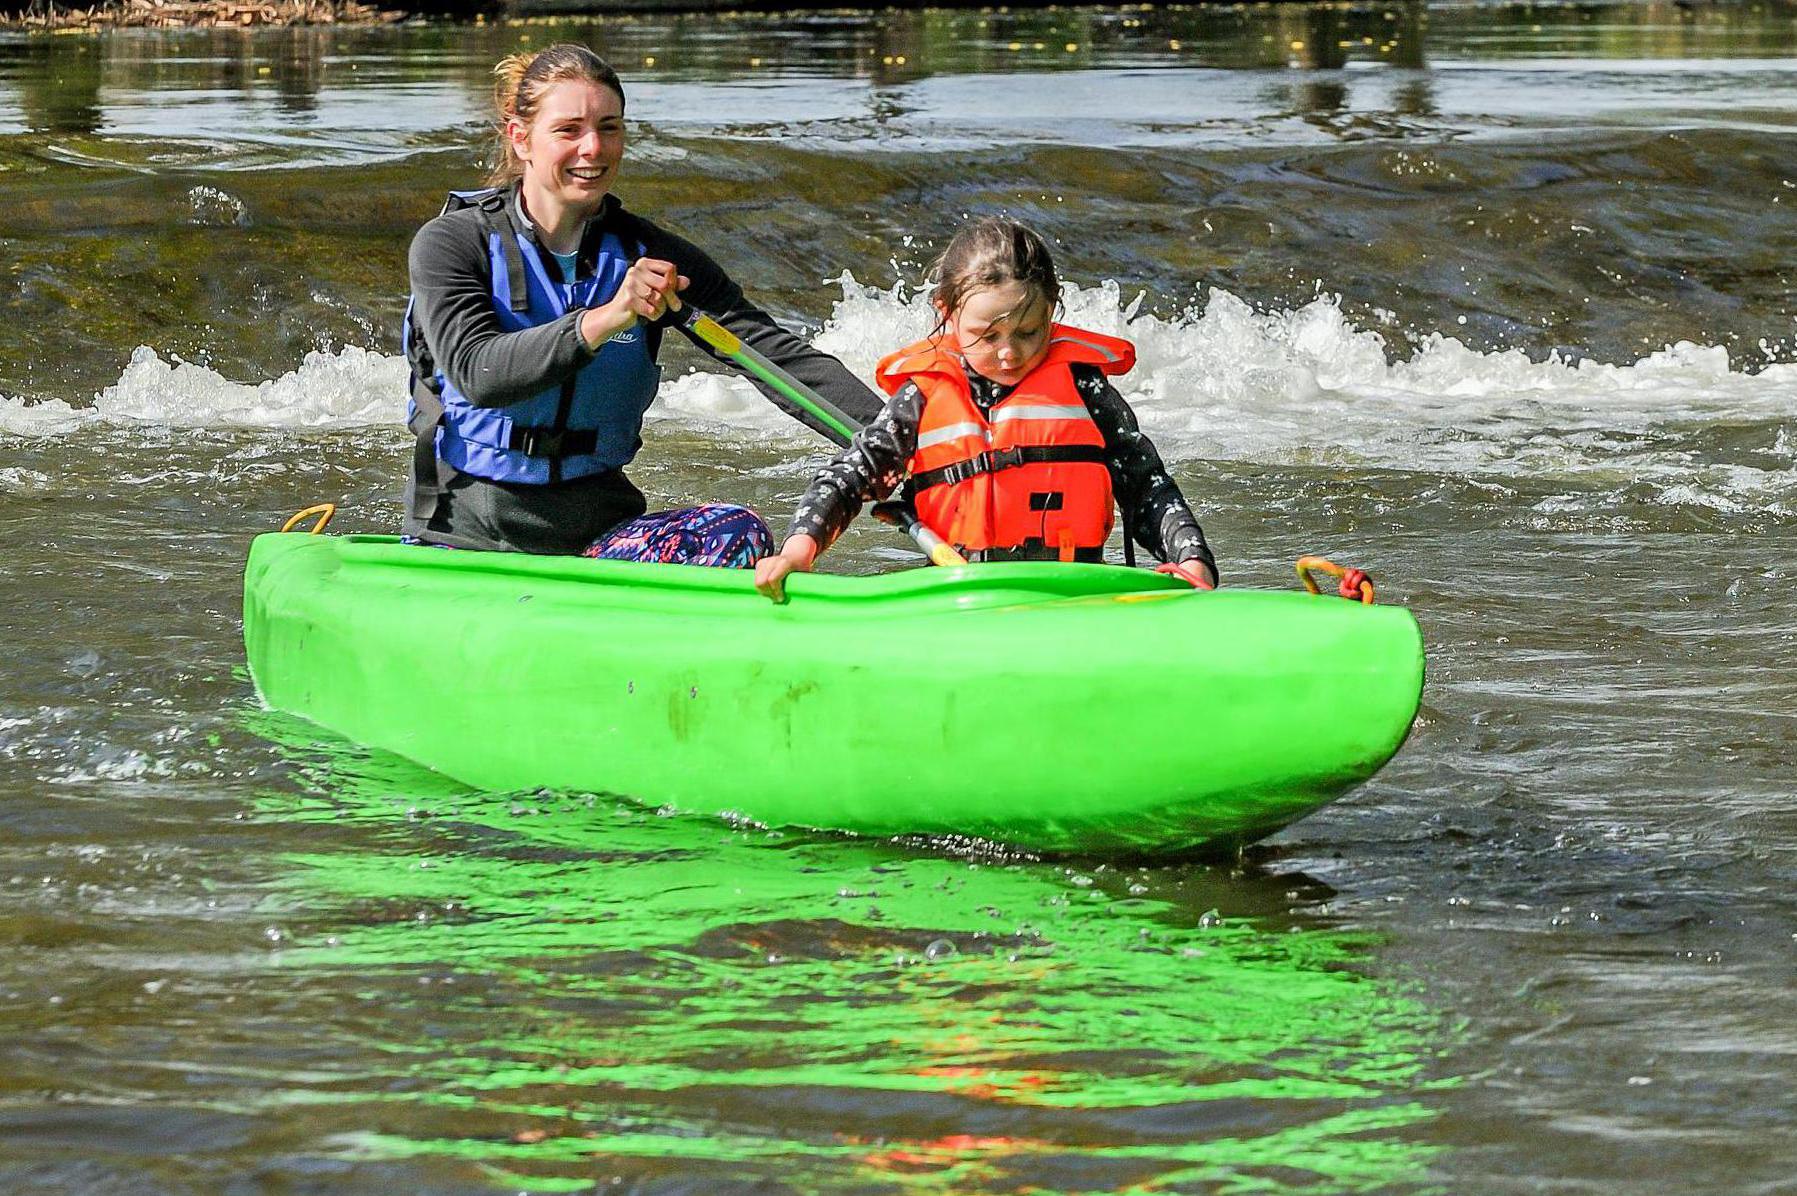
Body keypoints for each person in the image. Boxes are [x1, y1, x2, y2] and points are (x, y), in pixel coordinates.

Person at [401, 44, 883, 562]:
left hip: (595, 544)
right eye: (569, 130)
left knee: (735, 531)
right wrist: (608, 316)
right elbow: (480, 373)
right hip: (461, 539)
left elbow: (778, 360)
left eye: (609, 128)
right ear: (521, 138)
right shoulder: (451, 244)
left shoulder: (652, 257)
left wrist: (912, 449)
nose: (594, 148)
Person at [754, 216, 1218, 601]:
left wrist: (1191, 559)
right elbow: (851, 477)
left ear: (1052, 310)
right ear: (947, 312)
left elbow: (1147, 487)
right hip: (961, 598)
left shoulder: (1083, 386)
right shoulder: (923, 397)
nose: (1009, 354)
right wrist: (799, 550)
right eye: (986, 336)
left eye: (1029, 332)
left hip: (1074, 598)